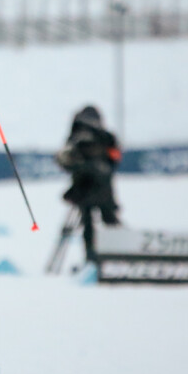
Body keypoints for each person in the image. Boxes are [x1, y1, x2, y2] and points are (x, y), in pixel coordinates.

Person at [55, 105, 122, 265]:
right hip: (98, 189)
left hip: (85, 190)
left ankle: (94, 259)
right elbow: (114, 161)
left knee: (91, 225)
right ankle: (117, 256)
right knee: (107, 222)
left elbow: (66, 162)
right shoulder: (104, 137)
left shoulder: (76, 138)